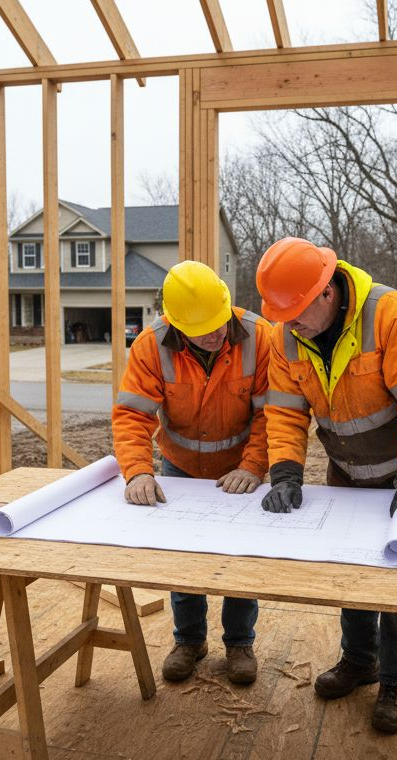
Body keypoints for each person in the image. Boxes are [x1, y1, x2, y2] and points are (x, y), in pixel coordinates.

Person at [255, 237, 397, 734]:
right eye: (281, 315)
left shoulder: (392, 315)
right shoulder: (287, 336)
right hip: (346, 472)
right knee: (354, 572)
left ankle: (396, 680)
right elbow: (283, 410)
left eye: (296, 311)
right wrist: (285, 473)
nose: (288, 324)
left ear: (326, 293)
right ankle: (360, 661)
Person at [112, 260, 272, 686]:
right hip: (180, 467)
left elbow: (273, 415)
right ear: (175, 323)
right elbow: (131, 415)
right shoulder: (150, 346)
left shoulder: (259, 337)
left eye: (220, 322)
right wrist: (137, 472)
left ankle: (240, 643)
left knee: (239, 556)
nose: (217, 334)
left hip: (243, 470)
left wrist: (254, 466)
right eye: (203, 329)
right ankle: (189, 641)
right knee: (184, 556)